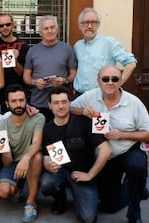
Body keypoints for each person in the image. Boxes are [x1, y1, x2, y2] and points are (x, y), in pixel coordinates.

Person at [70, 65, 149, 223]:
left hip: (127, 151)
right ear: (98, 81)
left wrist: (122, 135)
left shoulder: (134, 103)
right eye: (105, 79)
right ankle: (138, 188)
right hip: (105, 158)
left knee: (137, 166)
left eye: (115, 79)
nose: (110, 82)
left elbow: (147, 134)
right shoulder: (90, 96)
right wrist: (82, 111)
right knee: (109, 206)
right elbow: (70, 108)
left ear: (121, 81)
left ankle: (134, 212)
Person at [41, 86, 111, 223]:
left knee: (88, 218)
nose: (60, 106)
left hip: (82, 173)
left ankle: (83, 194)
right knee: (46, 183)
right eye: (56, 103)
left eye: (64, 102)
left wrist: (90, 174)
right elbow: (45, 156)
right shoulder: (47, 129)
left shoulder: (84, 122)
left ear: (69, 103)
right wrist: (48, 165)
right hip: (61, 171)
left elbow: (106, 150)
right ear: (49, 105)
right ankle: (60, 197)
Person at [0, 84, 45, 223]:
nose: (18, 104)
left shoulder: (38, 118)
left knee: (37, 156)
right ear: (7, 103)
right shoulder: (1, 126)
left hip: (31, 158)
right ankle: (18, 188)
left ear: (26, 101)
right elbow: (7, 162)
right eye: (14, 101)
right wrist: (6, 151)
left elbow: (36, 143)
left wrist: (26, 158)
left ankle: (31, 202)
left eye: (21, 100)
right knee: (4, 192)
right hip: (13, 162)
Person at [23, 15, 77, 122]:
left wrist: (65, 80)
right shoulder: (32, 51)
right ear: (40, 32)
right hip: (38, 102)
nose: (50, 31)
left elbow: (73, 73)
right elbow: (26, 77)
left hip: (61, 104)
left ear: (57, 29)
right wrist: (35, 83)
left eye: (52, 27)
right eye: (46, 28)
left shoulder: (67, 49)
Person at [73, 7, 137, 96]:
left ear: (98, 24)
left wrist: (117, 85)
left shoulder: (109, 43)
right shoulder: (78, 46)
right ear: (80, 25)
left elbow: (131, 63)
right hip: (79, 96)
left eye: (93, 22)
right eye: (86, 23)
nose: (90, 26)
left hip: (102, 96)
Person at [0, 13, 30, 113]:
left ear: (13, 25)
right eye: (1, 25)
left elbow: (23, 73)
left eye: (8, 24)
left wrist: (14, 61)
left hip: (18, 93)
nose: (5, 27)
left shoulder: (23, 45)